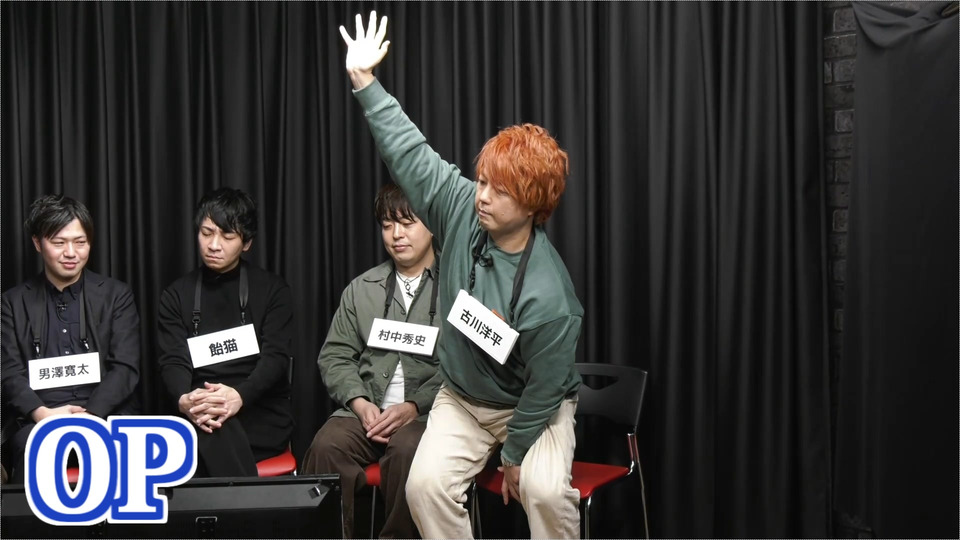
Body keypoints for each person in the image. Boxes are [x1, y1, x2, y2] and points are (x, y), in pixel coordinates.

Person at [339, 12, 584, 539]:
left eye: (501, 190)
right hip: (463, 401)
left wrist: (515, 454)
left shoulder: (550, 297)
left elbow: (545, 387)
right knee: (424, 487)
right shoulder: (463, 208)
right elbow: (412, 154)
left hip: (531, 408)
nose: (482, 196)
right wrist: (365, 81)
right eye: (482, 181)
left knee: (544, 492)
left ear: (534, 205)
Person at [302, 183, 442, 538]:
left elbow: (464, 367)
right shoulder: (362, 288)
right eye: (387, 225)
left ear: (431, 225)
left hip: (428, 416)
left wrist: (414, 405)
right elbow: (334, 355)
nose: (396, 235)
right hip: (368, 414)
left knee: (408, 449)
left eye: (407, 223)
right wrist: (359, 402)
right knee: (325, 446)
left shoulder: (457, 285)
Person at [1, 195, 141, 482]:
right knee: (34, 449)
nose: (71, 253)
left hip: (107, 416)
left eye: (80, 242)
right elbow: (8, 372)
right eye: (58, 243)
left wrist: (92, 416)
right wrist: (42, 414)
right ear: (38, 243)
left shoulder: (116, 295)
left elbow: (125, 367)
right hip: (38, 422)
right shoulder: (12, 303)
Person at [157, 187, 293, 477]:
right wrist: (184, 399)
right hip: (197, 410)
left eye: (227, 237)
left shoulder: (273, 290)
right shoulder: (176, 295)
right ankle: (249, 507)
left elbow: (276, 358)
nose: (214, 245)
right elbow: (173, 360)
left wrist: (239, 396)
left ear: (247, 243)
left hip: (257, 411)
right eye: (206, 233)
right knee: (211, 425)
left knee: (210, 433)